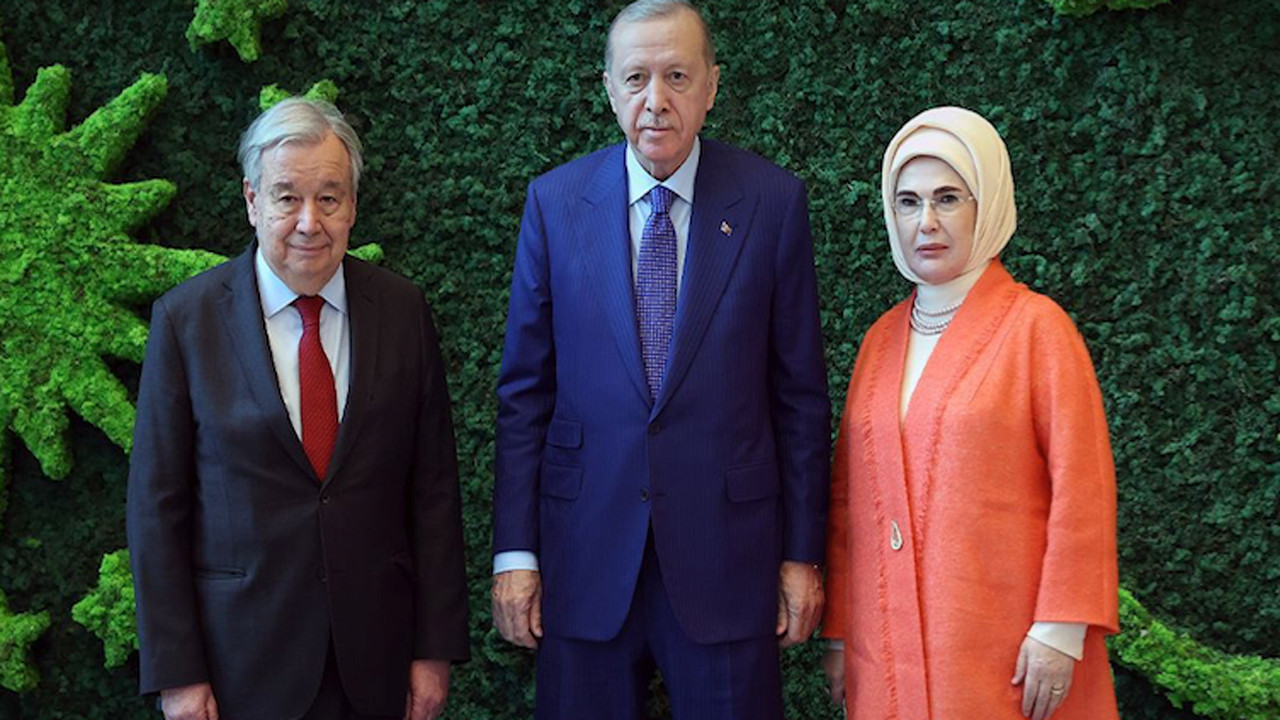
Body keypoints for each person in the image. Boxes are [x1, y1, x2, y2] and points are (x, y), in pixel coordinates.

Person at [490, 1, 831, 718]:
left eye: (677, 75)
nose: (656, 100)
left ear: (711, 85)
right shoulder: (555, 204)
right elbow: (524, 395)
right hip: (583, 558)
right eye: (636, 77)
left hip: (727, 561)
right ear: (609, 88)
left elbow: (799, 397)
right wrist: (516, 554)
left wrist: (802, 554)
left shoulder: (772, 203)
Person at [126, 98, 469, 720]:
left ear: (353, 206)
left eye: (329, 198)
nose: (309, 222)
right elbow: (157, 509)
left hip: (378, 662)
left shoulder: (402, 311)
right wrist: (177, 675)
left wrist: (434, 649)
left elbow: (434, 492)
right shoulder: (186, 321)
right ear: (252, 201)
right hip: (240, 667)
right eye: (287, 198)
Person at [821, 105, 1121, 720]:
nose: (926, 222)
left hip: (1009, 649)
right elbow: (850, 503)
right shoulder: (880, 340)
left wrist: (1061, 627)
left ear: (987, 203)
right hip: (886, 645)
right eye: (908, 202)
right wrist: (841, 634)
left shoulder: (1038, 328)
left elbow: (1083, 487)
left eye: (948, 198)